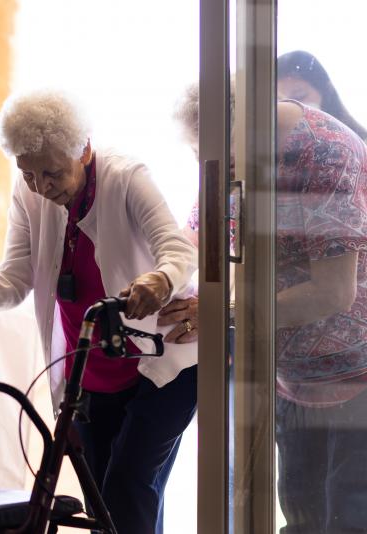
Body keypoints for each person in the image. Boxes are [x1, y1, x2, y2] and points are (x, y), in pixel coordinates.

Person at [0, 88, 198, 534]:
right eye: (28, 173)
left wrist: (160, 280)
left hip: (163, 365)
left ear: (84, 149)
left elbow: (176, 249)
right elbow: (14, 282)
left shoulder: (126, 177)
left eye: (52, 172)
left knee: (127, 489)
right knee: (104, 508)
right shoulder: (30, 192)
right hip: (90, 372)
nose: (41, 187)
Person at [172, 81, 367, 533]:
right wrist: (165, 276)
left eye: (226, 157)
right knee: (300, 515)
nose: (221, 170)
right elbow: (198, 238)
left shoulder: (325, 151)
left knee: (347, 519)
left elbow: (333, 292)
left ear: (253, 125)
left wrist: (223, 313)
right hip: (289, 378)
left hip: (357, 377)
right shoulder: (231, 151)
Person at [277, 50, 367, 140]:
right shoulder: (274, 145)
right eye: (279, 100)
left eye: (299, 96)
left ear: (326, 90)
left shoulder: (361, 144)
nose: (288, 106)